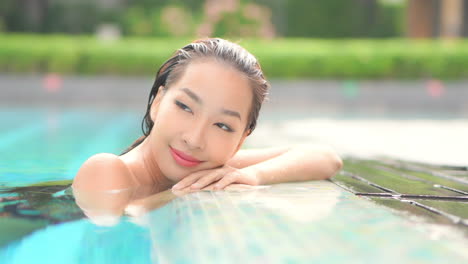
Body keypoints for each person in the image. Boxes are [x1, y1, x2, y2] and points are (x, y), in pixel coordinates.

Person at [72, 38, 342, 195]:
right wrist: (179, 195)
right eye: (185, 107)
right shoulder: (105, 171)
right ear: (157, 102)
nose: (195, 139)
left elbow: (326, 158)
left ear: (240, 140)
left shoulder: (208, 166)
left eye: (223, 125)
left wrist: (253, 176)